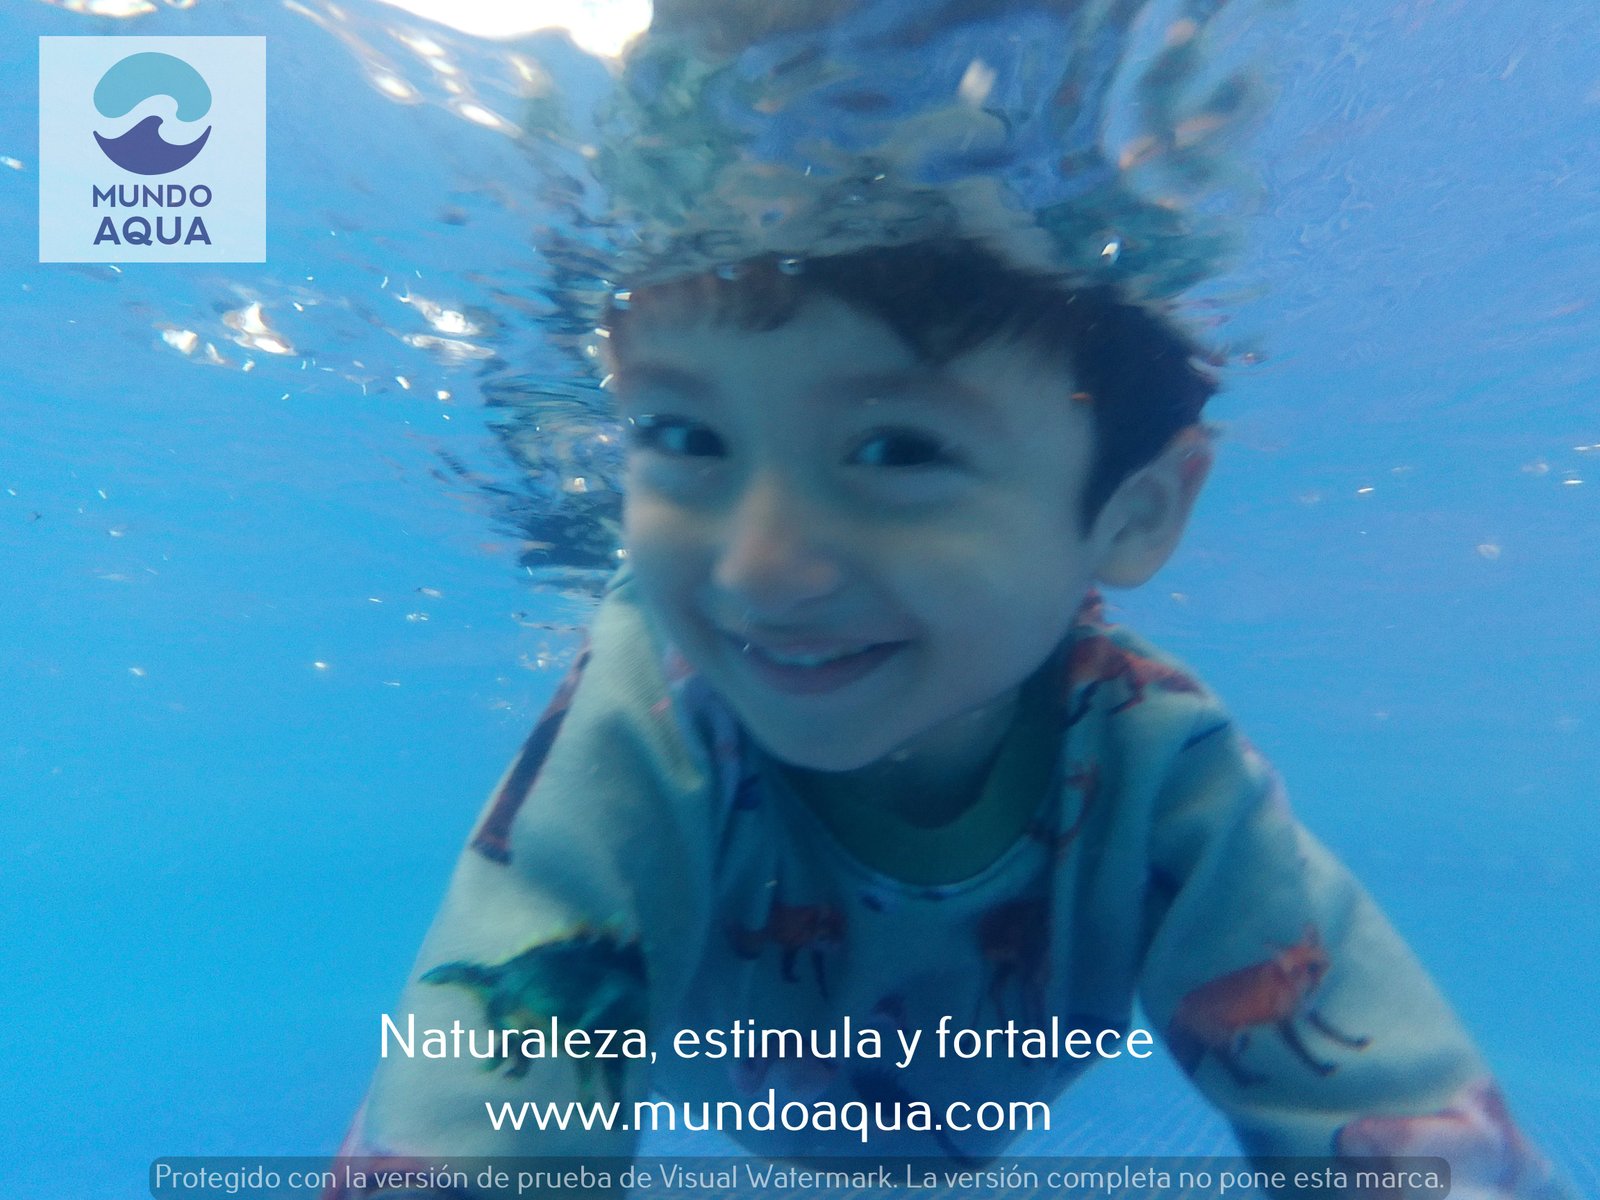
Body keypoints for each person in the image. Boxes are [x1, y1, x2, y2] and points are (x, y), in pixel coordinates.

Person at [323, 239, 1574, 1200]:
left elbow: (1392, 1107)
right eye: (683, 433)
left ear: (1134, 511)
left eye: (899, 449)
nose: (759, 573)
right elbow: (473, 1085)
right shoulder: (646, 717)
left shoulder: (1154, 761)